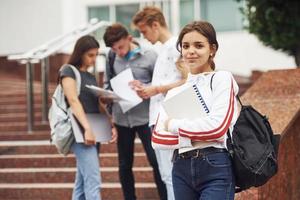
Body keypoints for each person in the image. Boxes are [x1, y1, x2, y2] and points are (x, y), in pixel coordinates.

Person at [152, 21, 239, 200]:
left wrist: (173, 125)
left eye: (198, 45)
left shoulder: (222, 79)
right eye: (185, 46)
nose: (190, 51)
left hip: (214, 164)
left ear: (212, 49)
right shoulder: (175, 91)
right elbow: (157, 139)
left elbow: (217, 129)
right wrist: (198, 134)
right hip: (180, 169)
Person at [101, 23, 167, 200]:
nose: (119, 52)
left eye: (120, 47)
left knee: (156, 162)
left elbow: (161, 85)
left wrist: (144, 87)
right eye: (114, 49)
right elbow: (107, 84)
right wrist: (107, 95)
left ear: (129, 38)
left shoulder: (150, 56)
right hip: (122, 119)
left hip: (146, 119)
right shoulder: (111, 57)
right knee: (124, 164)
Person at [132, 6, 188, 200]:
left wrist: (155, 89)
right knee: (167, 175)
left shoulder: (175, 46)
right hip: (159, 118)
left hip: (168, 119)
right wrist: (147, 87)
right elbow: (168, 82)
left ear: (155, 25)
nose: (144, 36)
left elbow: (188, 80)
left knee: (171, 175)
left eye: (144, 31)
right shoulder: (164, 49)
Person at [60, 35, 117, 200]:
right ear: (80, 53)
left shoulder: (90, 76)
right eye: (90, 55)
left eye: (96, 55)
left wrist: (110, 125)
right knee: (93, 181)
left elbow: (96, 104)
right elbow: (72, 100)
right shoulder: (68, 70)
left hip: (94, 128)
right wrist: (87, 129)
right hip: (80, 130)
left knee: (82, 183)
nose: (93, 60)